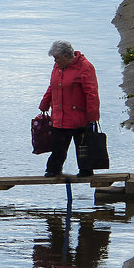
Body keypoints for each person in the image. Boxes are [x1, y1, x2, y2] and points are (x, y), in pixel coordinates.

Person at [39, 40, 100, 177]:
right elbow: (52, 87)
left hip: (79, 118)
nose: (55, 60)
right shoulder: (57, 67)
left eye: (57, 57)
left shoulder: (85, 67)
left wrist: (92, 117)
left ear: (66, 56)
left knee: (83, 149)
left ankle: (86, 171)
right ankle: (53, 170)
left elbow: (92, 94)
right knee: (58, 149)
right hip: (60, 117)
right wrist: (44, 103)